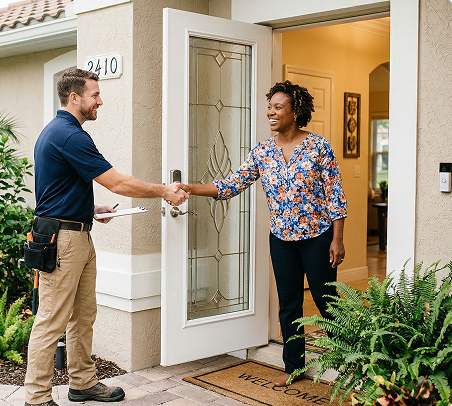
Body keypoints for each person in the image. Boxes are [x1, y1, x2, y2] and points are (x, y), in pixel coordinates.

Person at [24, 68, 188, 406]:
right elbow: (118, 183)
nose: (101, 100)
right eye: (95, 94)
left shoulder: (62, 131)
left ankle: (82, 383)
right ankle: (37, 398)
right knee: (51, 320)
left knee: (83, 316)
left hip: (76, 234)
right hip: (64, 242)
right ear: (74, 98)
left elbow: (60, 188)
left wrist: (89, 209)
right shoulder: (70, 135)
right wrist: (163, 192)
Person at [175, 80, 347, 387]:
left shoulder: (319, 147)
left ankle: (351, 362)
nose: (271, 112)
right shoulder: (263, 151)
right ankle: (293, 367)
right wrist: (191, 188)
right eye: (269, 107)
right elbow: (231, 184)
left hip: (318, 238)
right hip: (281, 240)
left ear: (295, 111)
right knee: (289, 303)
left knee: (326, 302)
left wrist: (337, 238)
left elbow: (335, 195)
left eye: (278, 107)